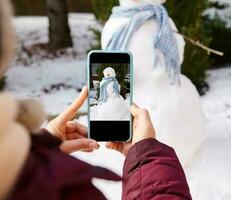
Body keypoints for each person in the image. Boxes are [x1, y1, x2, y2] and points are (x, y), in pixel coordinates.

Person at [0, 0, 192, 199]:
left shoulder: (23, 167)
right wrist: (146, 156)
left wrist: (40, 146)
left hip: (140, 97)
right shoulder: (56, 185)